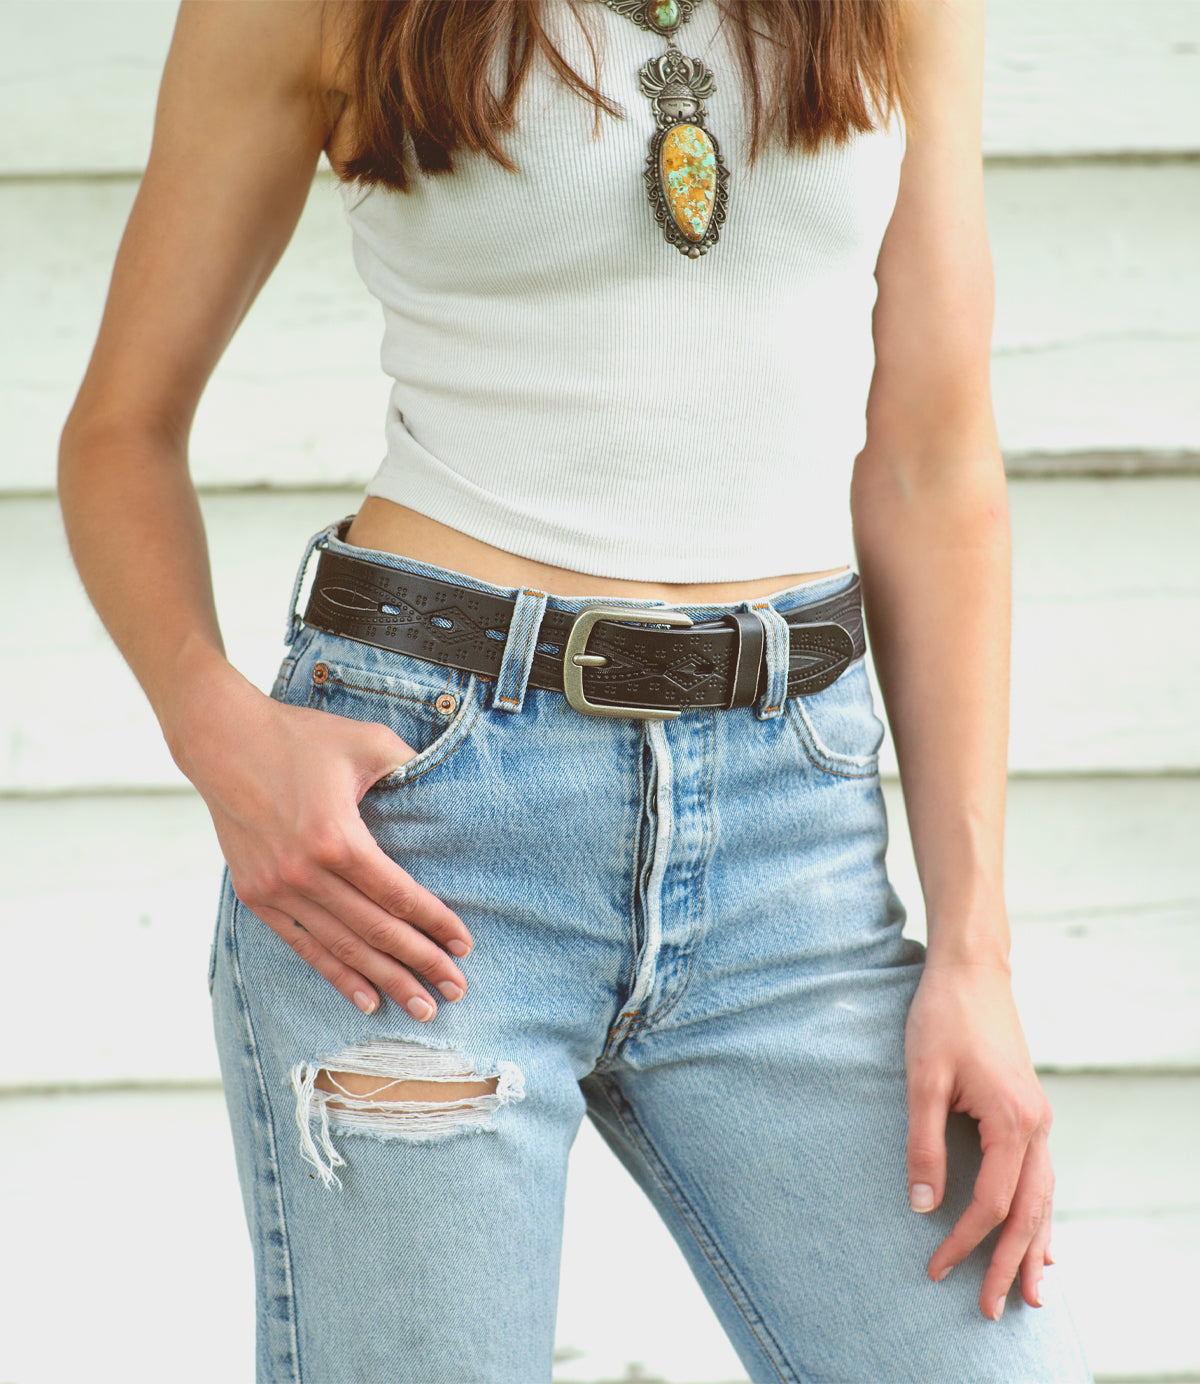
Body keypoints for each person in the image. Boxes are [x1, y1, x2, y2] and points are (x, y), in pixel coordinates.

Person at [58, 1, 1094, 1380]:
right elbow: (120, 431)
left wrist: (976, 949)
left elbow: (932, 456)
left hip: (794, 857)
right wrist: (214, 726)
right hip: (427, 844)